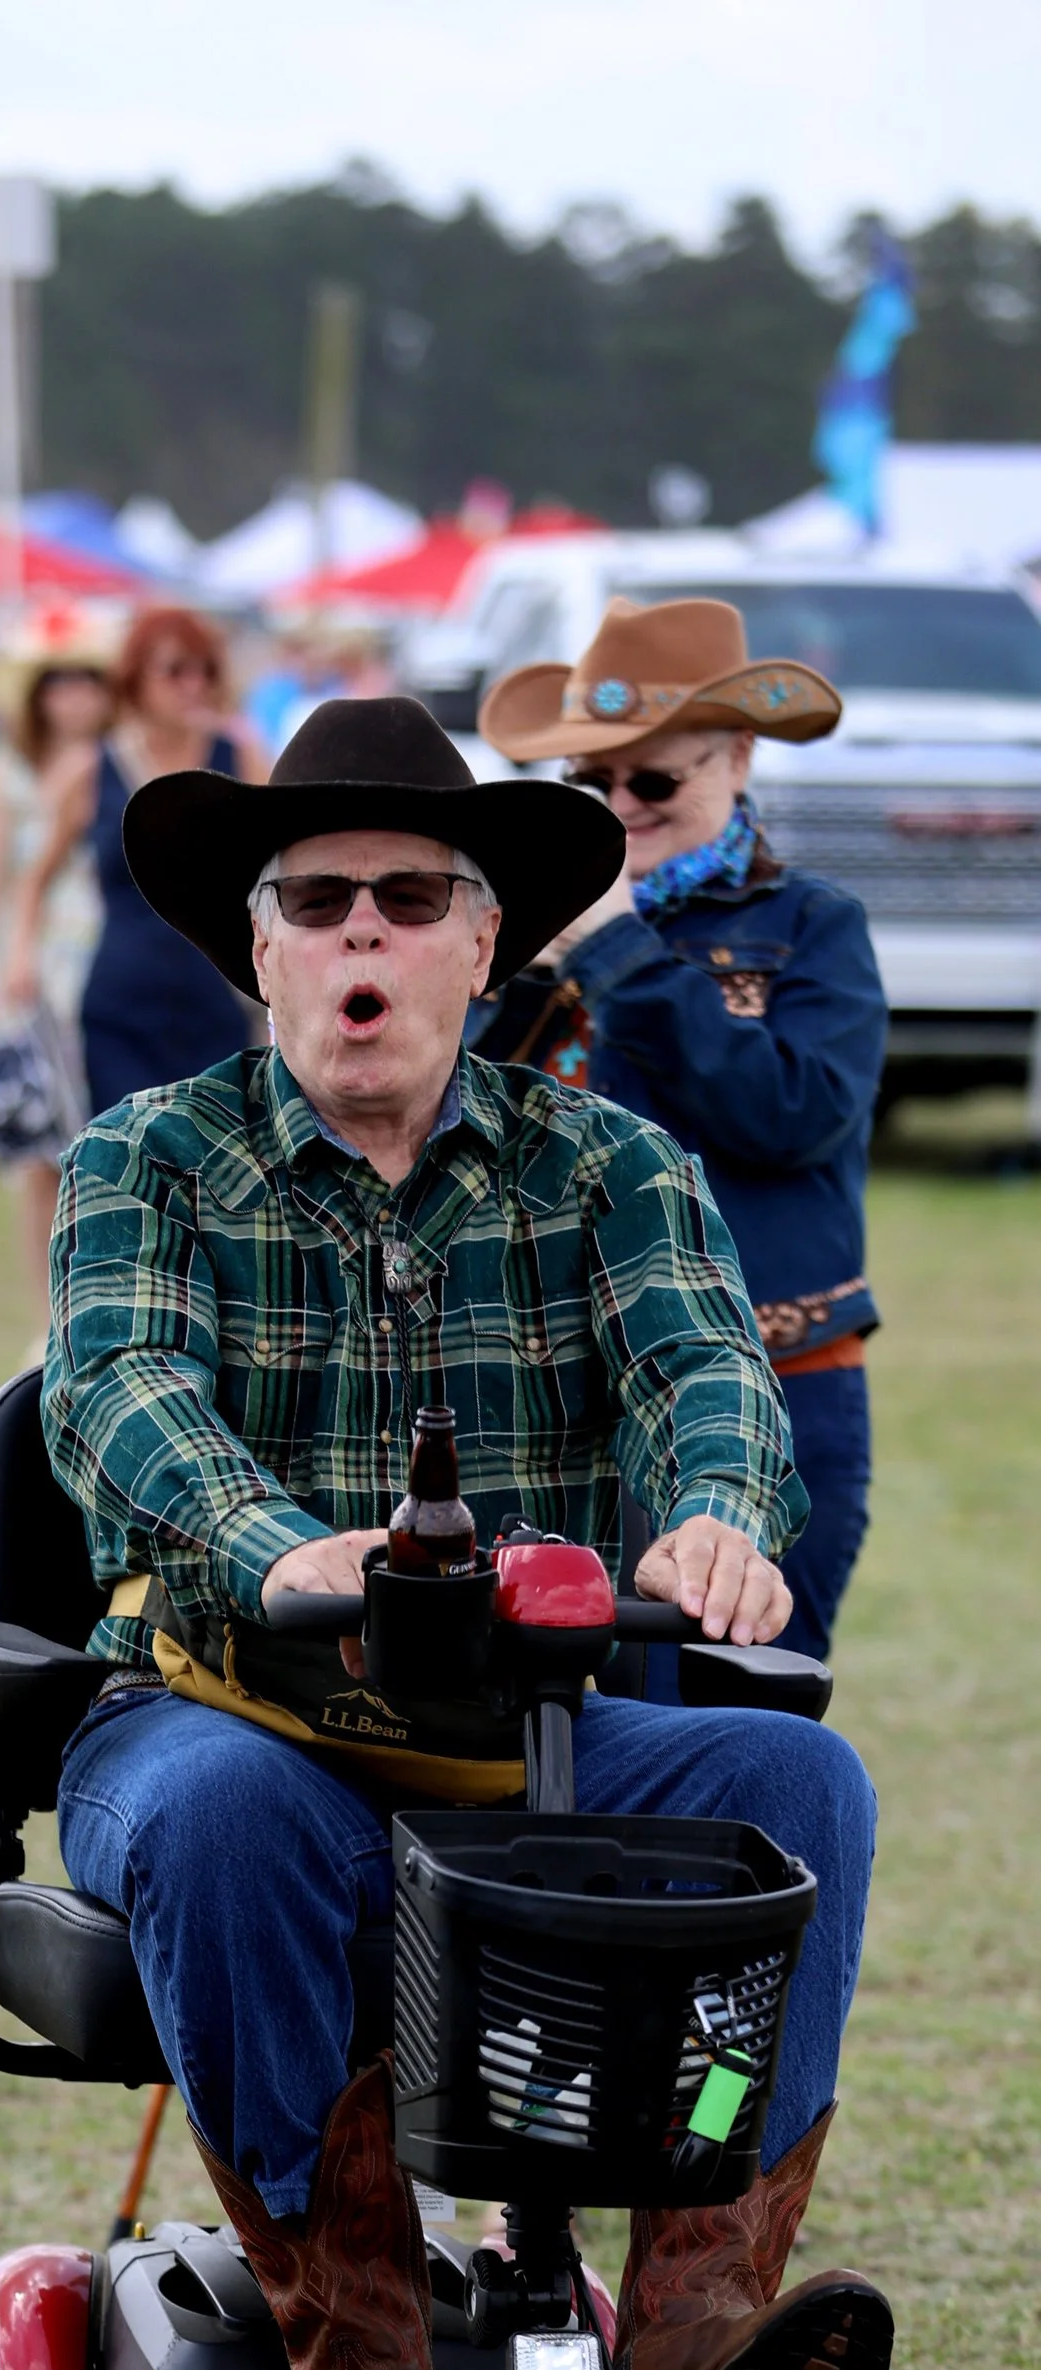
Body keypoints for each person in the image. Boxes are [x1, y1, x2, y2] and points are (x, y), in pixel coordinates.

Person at [45, 694, 886, 2370]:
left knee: (799, 1778)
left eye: (415, 898)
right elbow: (119, 1388)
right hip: (229, 1717)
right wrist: (287, 1551)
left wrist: (720, 1508)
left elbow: (704, 1370)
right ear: (258, 951)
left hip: (535, 1748)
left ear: (485, 942)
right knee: (223, 1817)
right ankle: (355, 2337)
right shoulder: (149, 1160)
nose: (368, 929)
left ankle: (699, 2319)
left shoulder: (613, 1167)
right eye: (322, 899)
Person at [475, 597, 884, 1661]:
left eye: (652, 779)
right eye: (591, 783)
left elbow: (790, 1113)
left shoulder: (812, 926)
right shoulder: (526, 936)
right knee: (549, 1738)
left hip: (771, 1388)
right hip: (547, 1410)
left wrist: (615, 951)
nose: (620, 804)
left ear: (737, 758)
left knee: (739, 1719)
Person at [15, 603, 268, 1124]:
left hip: (215, 996)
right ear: (135, 679)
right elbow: (35, 877)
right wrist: (20, 956)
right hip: (120, 1001)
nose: (193, 685)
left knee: (217, 1166)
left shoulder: (240, 757)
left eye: (206, 671)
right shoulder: (92, 768)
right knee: (122, 1160)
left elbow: (283, 869)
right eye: (175, 670)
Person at [0, 606, 117, 1313]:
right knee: (38, 1154)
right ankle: (51, 1316)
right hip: (36, 966)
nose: (75, 695)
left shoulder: (127, 759)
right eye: (59, 680)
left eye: (89, 679)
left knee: (110, 1145)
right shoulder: (5, 770)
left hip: (110, 964)